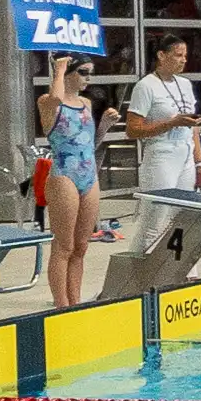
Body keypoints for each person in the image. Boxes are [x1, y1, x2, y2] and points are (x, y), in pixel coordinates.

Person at [33, 54, 119, 308]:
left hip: (88, 174)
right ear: (67, 73)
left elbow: (89, 145)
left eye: (90, 72)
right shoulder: (48, 103)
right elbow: (56, 97)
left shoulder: (86, 104)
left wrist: (104, 125)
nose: (88, 78)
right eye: (82, 71)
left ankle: (76, 302)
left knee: (81, 246)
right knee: (64, 245)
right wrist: (57, 69)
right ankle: (62, 305)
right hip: (63, 176)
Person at [125, 33, 201, 256]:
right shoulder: (146, 86)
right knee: (156, 218)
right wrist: (171, 123)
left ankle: (184, 271)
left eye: (185, 56)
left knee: (182, 217)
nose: (183, 60)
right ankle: (137, 272)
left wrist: (200, 162)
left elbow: (193, 127)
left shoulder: (186, 84)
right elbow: (132, 129)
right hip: (160, 153)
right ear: (161, 55)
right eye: (178, 55)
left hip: (185, 153)